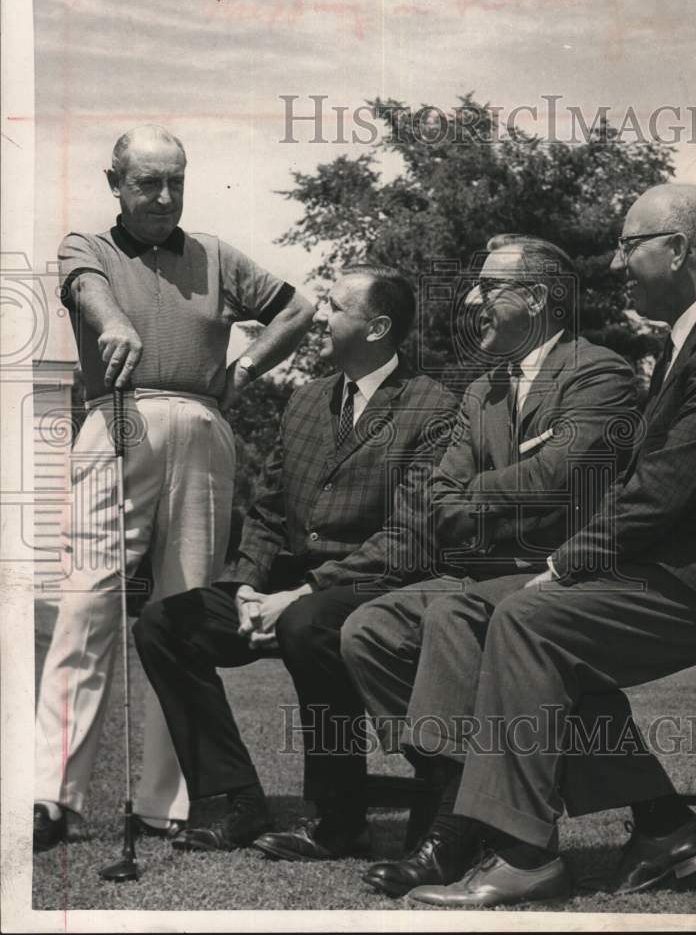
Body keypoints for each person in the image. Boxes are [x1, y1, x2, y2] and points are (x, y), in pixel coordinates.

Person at [389, 183, 696, 909]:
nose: (615, 263)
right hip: (675, 564)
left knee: (529, 620)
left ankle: (522, 854)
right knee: (483, 613)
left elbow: (661, 492)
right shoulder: (692, 336)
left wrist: (561, 565)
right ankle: (664, 832)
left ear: (675, 250)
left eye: (629, 244)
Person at [257, 233, 637, 867]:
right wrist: (515, 482)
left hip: (563, 574)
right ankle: (457, 790)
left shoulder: (599, 373)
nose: (471, 299)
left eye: (489, 287)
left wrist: (486, 493)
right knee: (369, 629)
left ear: (537, 298)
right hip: (481, 575)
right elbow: (439, 503)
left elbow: (560, 482)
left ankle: (453, 823)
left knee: (447, 619)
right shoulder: (481, 392)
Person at [33, 125, 313, 852]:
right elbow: (85, 288)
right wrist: (113, 320)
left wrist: (246, 369)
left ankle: (174, 799)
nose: (163, 196)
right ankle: (51, 796)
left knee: (181, 613)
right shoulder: (86, 246)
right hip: (117, 419)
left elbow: (299, 308)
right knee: (89, 602)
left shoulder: (215, 254)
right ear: (115, 182)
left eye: (176, 182)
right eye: (148, 182)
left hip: (203, 421)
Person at [132, 265, 458, 854]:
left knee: (308, 626)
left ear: (378, 327)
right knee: (163, 624)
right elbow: (269, 512)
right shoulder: (307, 401)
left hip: (376, 585)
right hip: (286, 586)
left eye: (336, 307)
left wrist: (303, 593)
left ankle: (342, 820)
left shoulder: (434, 407)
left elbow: (411, 536)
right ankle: (235, 800)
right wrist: (246, 589)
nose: (322, 317)